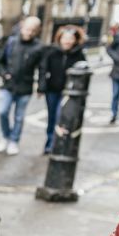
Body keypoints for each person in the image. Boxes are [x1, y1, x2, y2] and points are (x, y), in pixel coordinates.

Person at [0, 16, 43, 155]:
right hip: (8, 85)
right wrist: (4, 74)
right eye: (28, 29)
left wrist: (41, 87)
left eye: (33, 30)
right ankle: (5, 136)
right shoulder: (11, 42)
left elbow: (42, 68)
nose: (29, 32)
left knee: (19, 117)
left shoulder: (39, 47)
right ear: (22, 27)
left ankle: (14, 141)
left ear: (37, 31)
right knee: (3, 111)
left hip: (25, 87)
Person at [38, 25, 87, 154]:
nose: (67, 41)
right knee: (52, 117)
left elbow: (83, 73)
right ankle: (49, 143)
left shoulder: (79, 54)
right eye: (65, 38)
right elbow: (43, 69)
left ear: (75, 40)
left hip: (68, 92)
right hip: (52, 90)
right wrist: (41, 87)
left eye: (71, 38)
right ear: (59, 39)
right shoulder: (51, 51)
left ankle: (57, 144)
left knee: (61, 117)